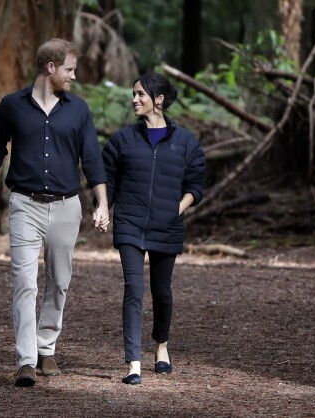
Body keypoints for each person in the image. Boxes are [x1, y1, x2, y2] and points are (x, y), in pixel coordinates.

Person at [0, 38, 110, 387]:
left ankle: (45, 348)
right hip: (24, 205)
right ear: (50, 68)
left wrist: (102, 203)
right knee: (24, 283)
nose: (74, 76)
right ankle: (25, 361)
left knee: (59, 282)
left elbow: (92, 159)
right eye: (70, 69)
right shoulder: (11, 106)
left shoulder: (78, 110)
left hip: (67, 206)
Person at [102, 73, 206, 385]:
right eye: (133, 94)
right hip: (130, 223)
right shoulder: (122, 140)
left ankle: (161, 345)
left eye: (140, 94)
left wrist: (177, 208)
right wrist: (102, 208)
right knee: (133, 290)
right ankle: (133, 363)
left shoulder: (185, 142)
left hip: (167, 225)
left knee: (162, 292)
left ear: (158, 99)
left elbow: (196, 184)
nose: (134, 99)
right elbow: (105, 179)